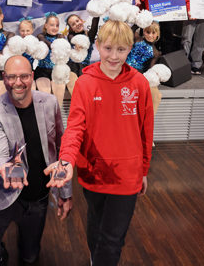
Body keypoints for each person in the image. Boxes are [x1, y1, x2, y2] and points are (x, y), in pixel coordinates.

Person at [46, 20, 153, 266]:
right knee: (95, 224)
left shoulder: (139, 83)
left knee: (114, 238)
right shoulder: (85, 83)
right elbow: (74, 128)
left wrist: (143, 169)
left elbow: (146, 131)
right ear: (97, 46)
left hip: (127, 173)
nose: (114, 56)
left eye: (121, 50)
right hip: (93, 172)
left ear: (130, 49)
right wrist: (66, 161)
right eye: (107, 49)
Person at [0, 55, 72, 266]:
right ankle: (1, 255)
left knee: (29, 257)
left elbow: (63, 149)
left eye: (24, 76)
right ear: (4, 78)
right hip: (4, 194)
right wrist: (2, 166)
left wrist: (66, 192)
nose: (18, 82)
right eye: (12, 77)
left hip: (37, 197)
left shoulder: (50, 102)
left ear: (32, 77)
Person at [35, 13, 66, 107]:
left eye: (57, 25)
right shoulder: (40, 36)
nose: (55, 28)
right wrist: (55, 47)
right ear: (46, 25)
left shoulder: (60, 37)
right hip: (42, 70)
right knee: (46, 98)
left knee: (58, 100)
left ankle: (57, 118)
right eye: (52, 25)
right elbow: (46, 42)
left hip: (57, 70)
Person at [65, 14, 100, 96]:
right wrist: (76, 45)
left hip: (84, 68)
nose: (77, 24)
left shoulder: (89, 36)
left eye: (77, 21)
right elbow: (72, 40)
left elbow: (94, 24)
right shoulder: (71, 36)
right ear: (71, 28)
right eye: (73, 24)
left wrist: (97, 12)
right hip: (72, 67)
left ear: (81, 20)